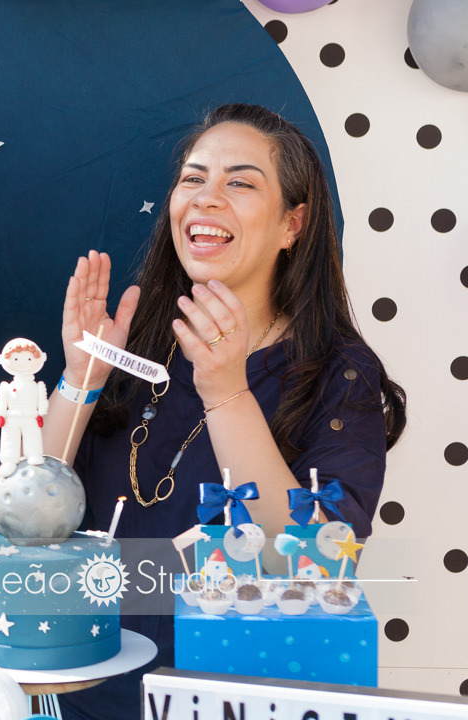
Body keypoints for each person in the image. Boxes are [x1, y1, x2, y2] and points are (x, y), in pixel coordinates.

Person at [41, 103, 406, 719]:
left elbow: (319, 560)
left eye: (240, 182)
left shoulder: (339, 373)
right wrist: (81, 379)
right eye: (193, 178)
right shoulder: (132, 342)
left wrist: (226, 390)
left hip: (226, 700)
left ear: (292, 224)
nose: (206, 198)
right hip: (78, 693)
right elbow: (31, 514)